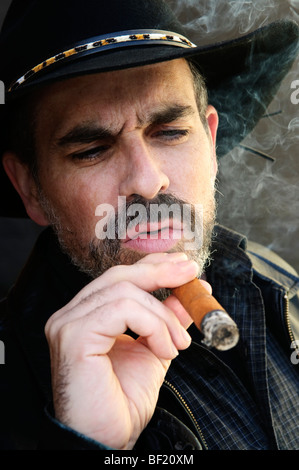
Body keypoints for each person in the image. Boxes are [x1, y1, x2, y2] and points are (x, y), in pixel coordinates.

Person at [0, 0, 298, 451]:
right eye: (91, 150)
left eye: (170, 132)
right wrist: (89, 445)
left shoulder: (275, 280)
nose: (147, 181)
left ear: (210, 141)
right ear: (31, 188)